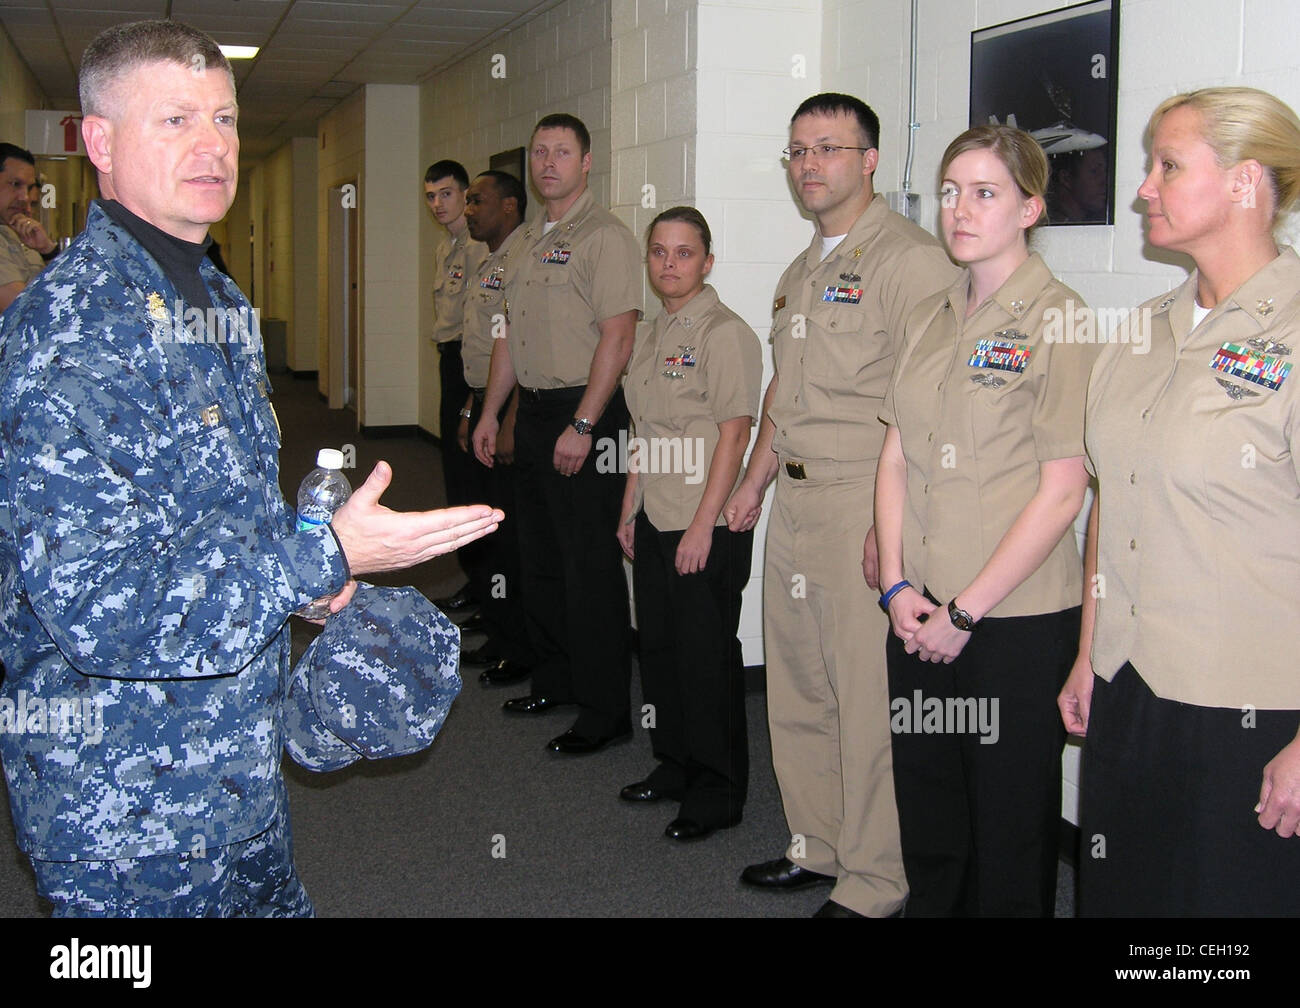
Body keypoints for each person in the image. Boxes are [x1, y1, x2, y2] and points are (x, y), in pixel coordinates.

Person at [0, 19, 502, 917]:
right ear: (101, 143)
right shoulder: (67, 333)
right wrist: (322, 557)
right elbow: (98, 611)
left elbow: (214, 521)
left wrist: (313, 582)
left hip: (236, 761)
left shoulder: (211, 294)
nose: (213, 146)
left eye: (225, 120)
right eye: (176, 120)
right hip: (127, 804)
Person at [1059, 86, 1300, 916]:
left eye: (1168, 166)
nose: (1142, 189)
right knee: (1123, 899)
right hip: (1132, 684)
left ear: (1244, 183)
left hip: (1252, 705)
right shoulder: (1140, 332)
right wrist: (1090, 650)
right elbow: (1110, 505)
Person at [724, 93, 959, 917]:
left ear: (869, 160)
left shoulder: (911, 261)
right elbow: (783, 389)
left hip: (863, 505)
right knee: (798, 688)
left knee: (863, 703)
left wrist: (888, 532)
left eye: (828, 147)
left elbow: (930, 407)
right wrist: (751, 483)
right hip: (794, 505)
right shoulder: (801, 272)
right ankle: (816, 844)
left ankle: (876, 880)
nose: (809, 164)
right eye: (796, 150)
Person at [874, 125, 1095, 916]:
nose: (959, 210)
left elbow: (1063, 491)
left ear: (1031, 207)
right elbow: (895, 455)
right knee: (931, 808)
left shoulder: (1058, 321)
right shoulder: (931, 315)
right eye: (948, 192)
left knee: (1008, 824)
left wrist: (967, 610)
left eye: (985, 193)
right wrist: (898, 585)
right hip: (920, 608)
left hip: (1012, 622)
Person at [472, 112, 641, 755]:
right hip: (537, 411)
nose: (548, 163)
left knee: (589, 566)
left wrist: (583, 424)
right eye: (540, 152)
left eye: (562, 152)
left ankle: (605, 711)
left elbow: (618, 337)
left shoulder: (606, 238)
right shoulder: (528, 243)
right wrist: (492, 411)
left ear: (586, 161)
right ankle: (557, 679)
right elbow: (508, 334)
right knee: (538, 556)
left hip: (586, 414)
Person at [616, 206, 761, 841]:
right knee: (661, 652)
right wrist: (628, 505)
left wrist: (704, 526)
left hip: (703, 523)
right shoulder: (652, 331)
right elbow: (645, 431)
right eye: (659, 253)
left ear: (707, 261)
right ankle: (673, 764)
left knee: (706, 661)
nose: (669, 265)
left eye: (683, 253)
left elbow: (736, 435)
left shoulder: (724, 333)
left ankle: (717, 790)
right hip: (655, 516)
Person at [460, 169, 536, 688]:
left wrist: (507, 415)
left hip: (514, 403)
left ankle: (516, 642)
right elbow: (487, 348)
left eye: (477, 200)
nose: (468, 209)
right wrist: (474, 407)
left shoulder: (522, 255)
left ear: (510, 206)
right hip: (487, 396)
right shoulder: (489, 258)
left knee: (510, 536)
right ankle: (498, 625)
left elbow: (519, 341)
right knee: (488, 525)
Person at [426, 159, 488, 616]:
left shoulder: (478, 250)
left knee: (473, 480)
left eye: (447, 194)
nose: (438, 204)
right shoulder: (446, 248)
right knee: (455, 478)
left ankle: (491, 586)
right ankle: (476, 579)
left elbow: (481, 328)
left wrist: (472, 398)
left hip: (472, 369)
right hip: (451, 362)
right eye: (430, 196)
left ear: (465, 197)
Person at [0, 143, 58, 312]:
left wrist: (48, 250)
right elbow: (25, 312)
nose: (24, 197)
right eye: (15, 184)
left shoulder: (20, 235)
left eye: (29, 187)